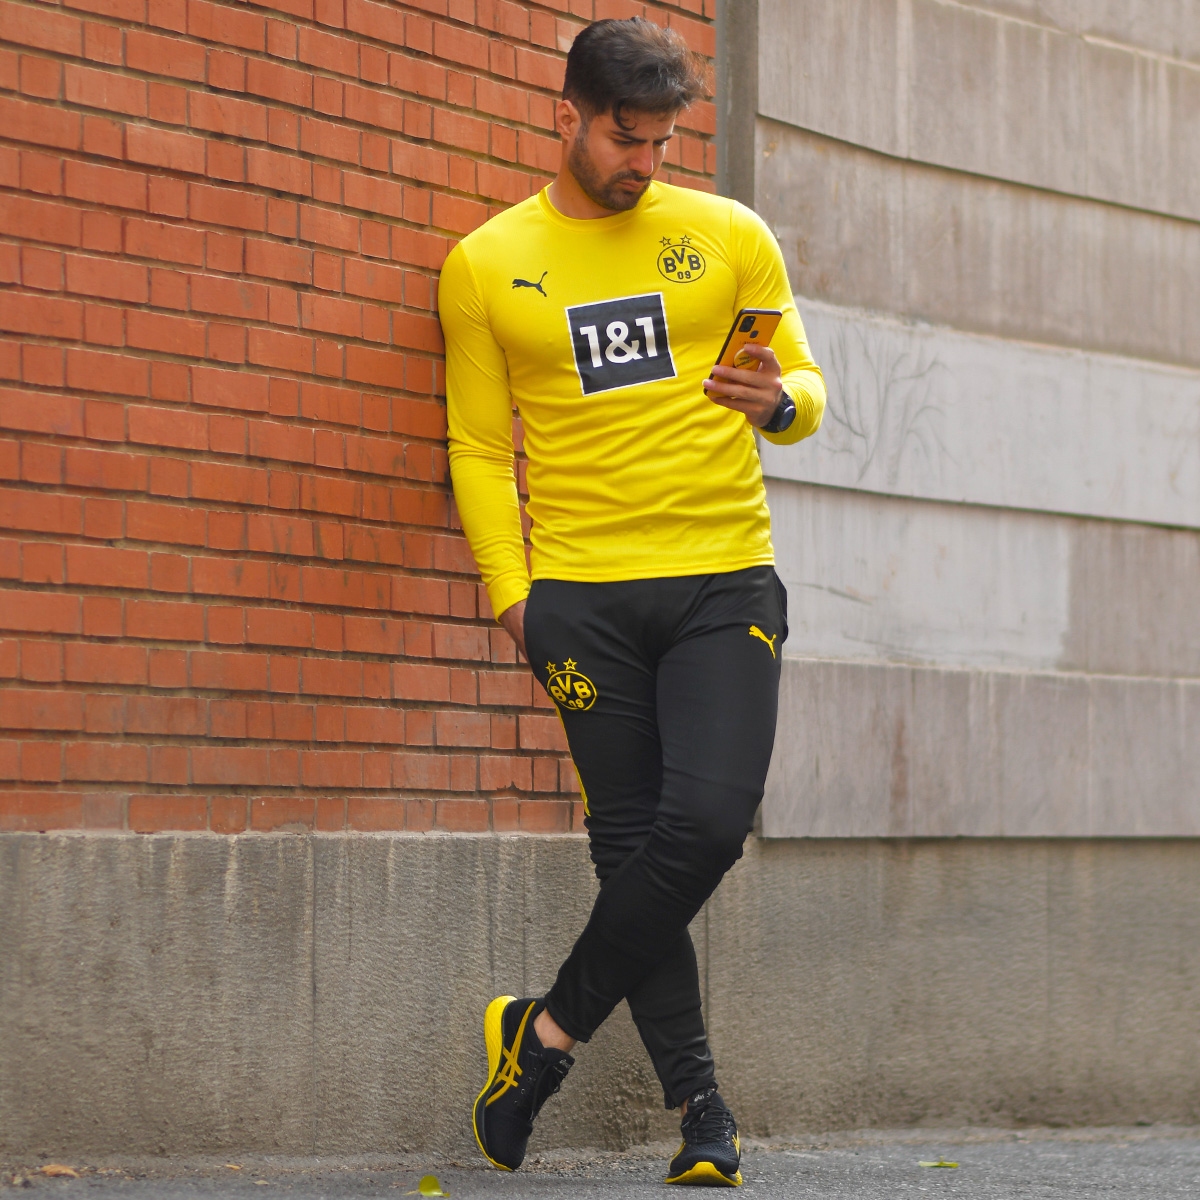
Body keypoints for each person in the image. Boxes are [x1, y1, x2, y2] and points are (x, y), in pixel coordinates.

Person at [437, 16, 825, 1188]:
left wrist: (778, 405)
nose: (645, 163)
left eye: (661, 142)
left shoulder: (727, 236)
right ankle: (702, 1111)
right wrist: (514, 599)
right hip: (582, 603)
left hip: (721, 576)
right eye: (625, 138)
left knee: (704, 826)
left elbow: (806, 387)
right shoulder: (486, 264)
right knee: (629, 848)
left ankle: (543, 1035)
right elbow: (475, 446)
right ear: (567, 114)